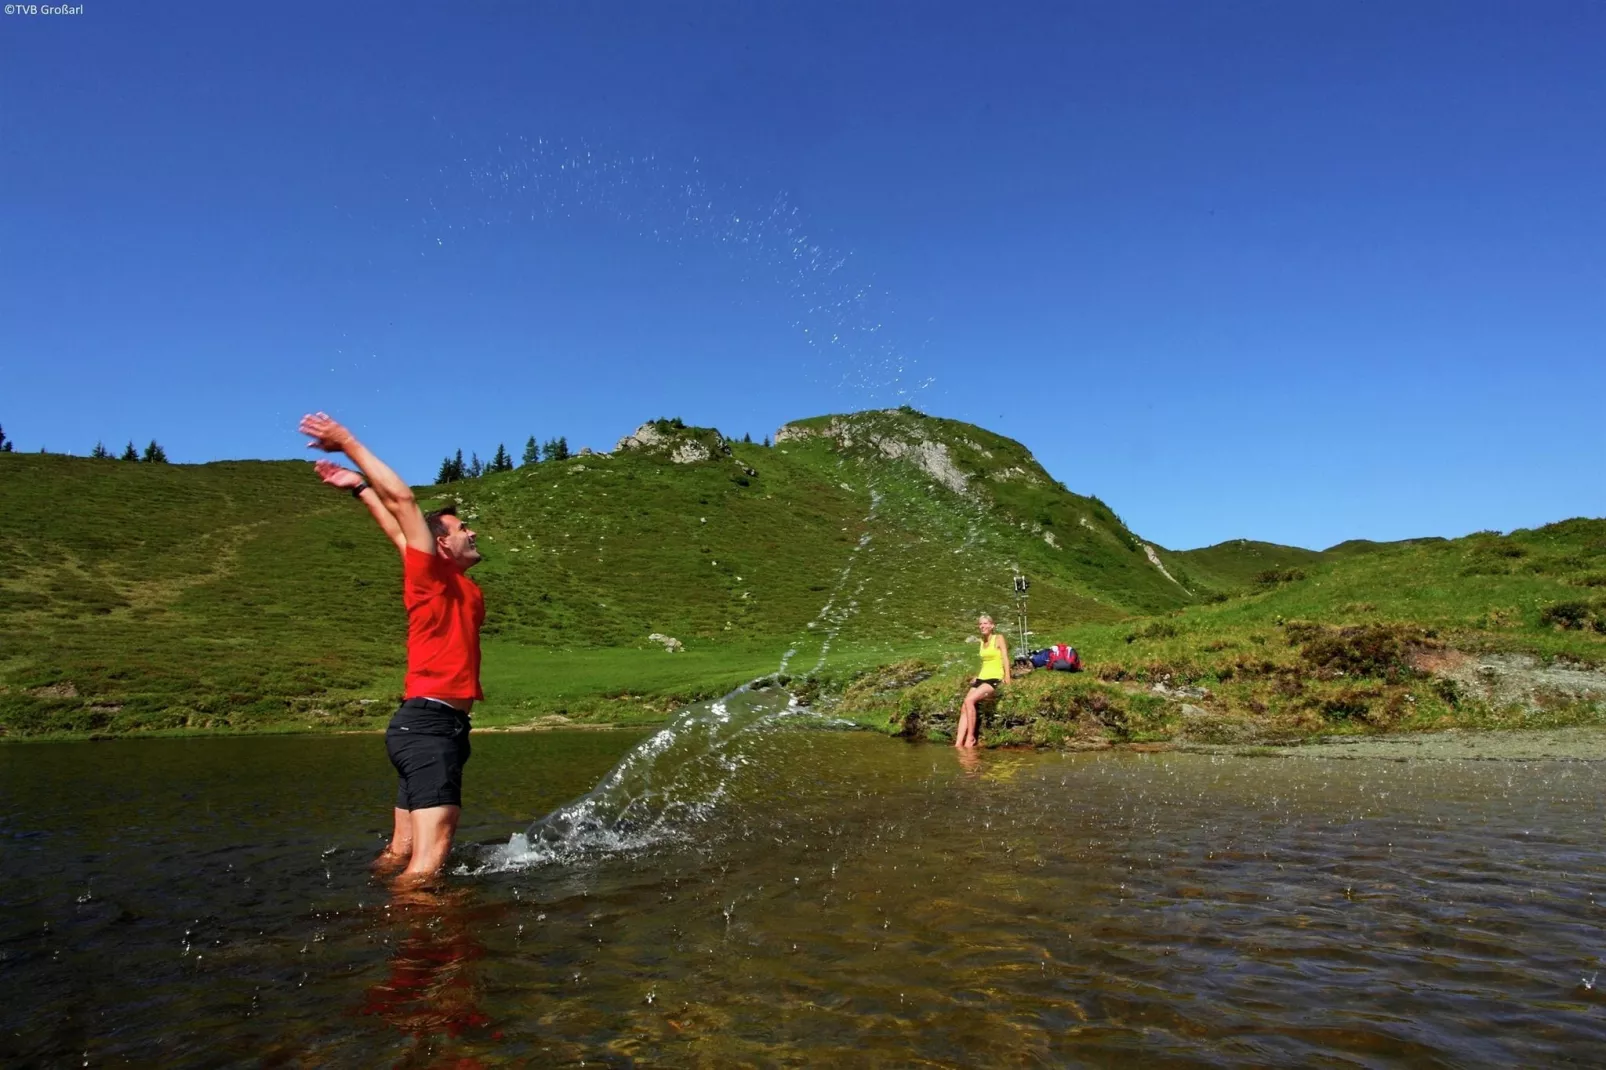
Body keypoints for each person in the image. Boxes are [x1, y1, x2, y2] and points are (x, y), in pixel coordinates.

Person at [299, 412, 485, 883]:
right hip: (428, 726)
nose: (473, 532)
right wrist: (346, 442)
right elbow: (402, 502)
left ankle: (372, 917)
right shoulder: (427, 576)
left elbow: (395, 528)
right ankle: (419, 940)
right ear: (440, 543)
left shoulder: (458, 584)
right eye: (462, 527)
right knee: (431, 858)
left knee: (402, 851)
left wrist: (359, 488)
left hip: (429, 725)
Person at [956, 614, 1009, 749]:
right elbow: (986, 662)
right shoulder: (981, 640)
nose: (982, 626)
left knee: (969, 701)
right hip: (982, 678)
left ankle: (970, 738)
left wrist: (1008, 677)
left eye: (985, 623)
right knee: (964, 706)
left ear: (992, 625)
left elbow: (1005, 657)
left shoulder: (998, 638)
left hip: (994, 678)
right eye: (980, 624)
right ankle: (958, 743)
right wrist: (977, 676)